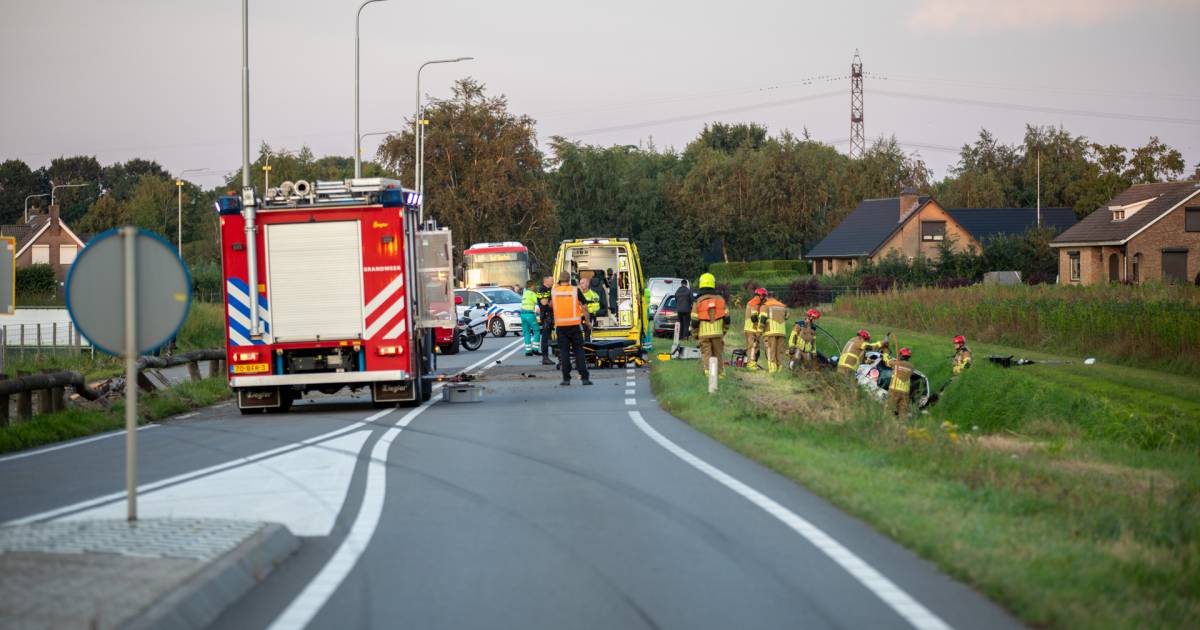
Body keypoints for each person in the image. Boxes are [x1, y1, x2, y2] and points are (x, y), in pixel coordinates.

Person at [552, 271, 591, 386]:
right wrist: (588, 322)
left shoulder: (554, 292)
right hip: (574, 326)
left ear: (559, 280)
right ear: (569, 280)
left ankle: (566, 379)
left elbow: (550, 305)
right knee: (579, 351)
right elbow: (584, 307)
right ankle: (584, 378)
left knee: (564, 352)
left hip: (561, 326)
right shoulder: (575, 290)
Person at [690, 273, 729, 377]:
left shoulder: (697, 301)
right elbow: (727, 319)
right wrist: (723, 332)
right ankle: (721, 374)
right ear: (713, 284)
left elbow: (694, 321)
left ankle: (709, 375)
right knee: (718, 354)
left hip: (704, 334)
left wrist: (695, 334)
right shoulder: (721, 300)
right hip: (718, 333)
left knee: (706, 353)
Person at [761, 294, 788, 373]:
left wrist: (759, 331)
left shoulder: (765, 305)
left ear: (767, 297)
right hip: (781, 332)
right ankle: (780, 371)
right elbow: (786, 317)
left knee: (771, 351)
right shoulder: (783, 306)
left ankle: (772, 370)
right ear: (776, 297)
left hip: (770, 332)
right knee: (780, 352)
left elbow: (763, 319)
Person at [743, 287, 768, 369]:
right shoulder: (756, 301)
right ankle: (751, 364)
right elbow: (754, 316)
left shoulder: (752, 301)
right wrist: (758, 328)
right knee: (753, 346)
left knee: (752, 346)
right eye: (764, 296)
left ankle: (751, 363)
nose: (765, 298)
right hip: (752, 329)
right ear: (760, 295)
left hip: (748, 328)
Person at [887, 347, 915, 416]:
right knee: (903, 413)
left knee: (889, 410)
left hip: (894, 390)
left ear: (901, 355)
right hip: (905, 393)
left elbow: (888, 363)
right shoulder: (911, 367)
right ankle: (901, 426)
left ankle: (887, 424)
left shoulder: (896, 363)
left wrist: (886, 356)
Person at [536, 276, 555, 365]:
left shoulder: (550, 289)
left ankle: (554, 353)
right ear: (545, 281)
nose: (553, 282)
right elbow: (544, 302)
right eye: (551, 281)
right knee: (545, 337)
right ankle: (545, 357)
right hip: (546, 316)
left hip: (551, 315)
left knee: (551, 336)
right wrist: (551, 302)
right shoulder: (542, 289)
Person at [519, 280, 540, 356]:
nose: (535, 287)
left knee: (526, 332)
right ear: (531, 286)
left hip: (522, 315)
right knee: (536, 330)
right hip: (530, 315)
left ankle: (528, 351)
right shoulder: (532, 294)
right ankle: (535, 349)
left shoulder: (524, 294)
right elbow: (538, 302)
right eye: (534, 286)